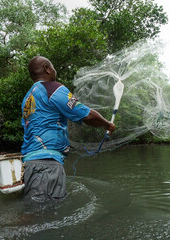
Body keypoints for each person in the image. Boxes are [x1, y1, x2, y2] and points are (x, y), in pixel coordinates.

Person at [21, 56, 115, 202]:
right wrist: (107, 124)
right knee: (39, 213)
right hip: (46, 164)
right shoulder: (52, 88)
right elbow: (87, 115)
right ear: (46, 68)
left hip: (30, 163)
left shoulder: (28, 97)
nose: (54, 71)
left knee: (40, 210)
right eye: (53, 67)